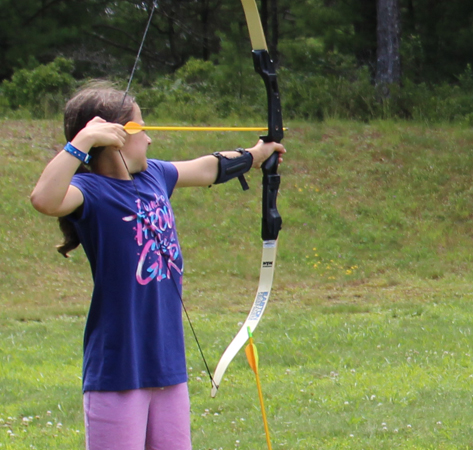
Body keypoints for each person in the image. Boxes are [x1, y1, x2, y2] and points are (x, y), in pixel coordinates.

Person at [26, 80, 287, 450]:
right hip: (118, 368)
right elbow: (44, 198)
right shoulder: (92, 192)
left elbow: (208, 168)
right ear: (116, 136)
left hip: (167, 363)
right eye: (142, 128)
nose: (148, 139)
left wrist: (257, 154)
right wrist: (82, 141)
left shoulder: (154, 176)